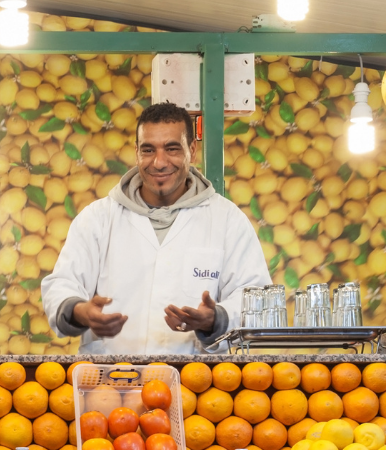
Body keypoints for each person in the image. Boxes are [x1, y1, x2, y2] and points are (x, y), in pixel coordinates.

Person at [40, 101, 271, 354]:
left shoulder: (227, 220)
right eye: (148, 150)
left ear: (192, 151)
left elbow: (255, 298)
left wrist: (216, 319)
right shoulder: (97, 218)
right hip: (112, 383)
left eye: (172, 149)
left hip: (195, 385)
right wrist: (80, 311)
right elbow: (62, 284)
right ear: (136, 151)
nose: (159, 162)